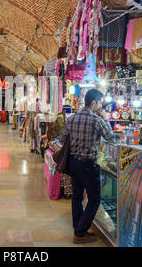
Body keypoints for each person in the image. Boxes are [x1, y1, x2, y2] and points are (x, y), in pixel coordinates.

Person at [57, 89, 115, 244]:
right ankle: (80, 232)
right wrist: (105, 118)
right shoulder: (96, 120)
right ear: (94, 103)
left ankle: (78, 228)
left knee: (76, 197)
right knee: (94, 199)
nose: (101, 106)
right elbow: (111, 137)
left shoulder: (72, 118)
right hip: (88, 164)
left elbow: (61, 138)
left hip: (73, 163)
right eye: (100, 102)